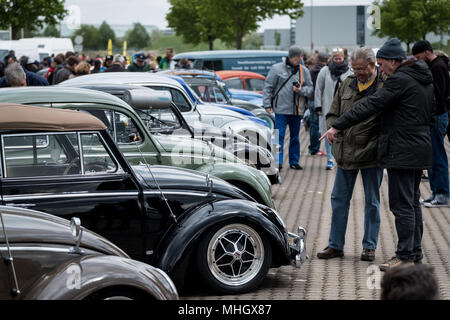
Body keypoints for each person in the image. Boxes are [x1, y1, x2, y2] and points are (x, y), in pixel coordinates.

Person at [321, 38, 435, 271]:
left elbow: (369, 106)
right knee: (412, 203)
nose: (382, 69)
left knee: (402, 205)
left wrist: (338, 125)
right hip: (417, 148)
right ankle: (414, 253)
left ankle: (404, 255)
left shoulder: (398, 80)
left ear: (393, 61)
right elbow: (432, 114)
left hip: (401, 152)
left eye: (382, 64)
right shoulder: (422, 79)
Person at [317, 47, 384, 262]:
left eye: (362, 68)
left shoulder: (384, 86)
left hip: (371, 154)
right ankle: (335, 245)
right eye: (354, 69)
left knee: (372, 201)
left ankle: (369, 246)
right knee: (338, 200)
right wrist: (332, 132)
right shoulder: (346, 83)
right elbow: (333, 113)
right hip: (346, 152)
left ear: (373, 65)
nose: (358, 73)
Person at [412, 40, 450, 207]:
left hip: (438, 116)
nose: (418, 60)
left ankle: (443, 194)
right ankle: (436, 193)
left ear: (427, 52)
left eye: (419, 56)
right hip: (435, 116)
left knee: (438, 156)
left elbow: (439, 94)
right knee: (432, 156)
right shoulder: (434, 66)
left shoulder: (438, 67)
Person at [263, 45, 313, 170]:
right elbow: (268, 87)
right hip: (281, 109)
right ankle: (277, 162)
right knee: (279, 136)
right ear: (290, 57)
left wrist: (301, 90)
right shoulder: (277, 69)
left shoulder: (304, 71)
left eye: (300, 56)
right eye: (296, 57)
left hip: (297, 110)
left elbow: (310, 88)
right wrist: (267, 104)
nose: (299, 59)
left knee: (295, 137)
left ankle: (294, 161)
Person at [315, 47, 352, 170]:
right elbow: (318, 89)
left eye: (339, 58)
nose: (337, 60)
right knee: (328, 132)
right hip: (328, 108)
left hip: (345, 108)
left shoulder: (349, 71)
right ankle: (330, 158)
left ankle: (343, 157)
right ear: (332, 58)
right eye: (335, 58)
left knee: (344, 132)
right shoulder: (325, 71)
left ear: (343, 58)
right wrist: (318, 106)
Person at [308, 52, 329, 156]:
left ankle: (313, 148)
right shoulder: (326, 71)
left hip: (311, 100)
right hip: (321, 102)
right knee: (320, 126)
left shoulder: (311, 71)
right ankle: (315, 149)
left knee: (313, 125)